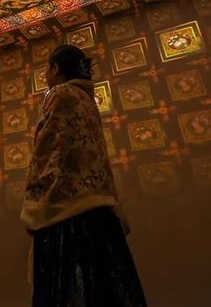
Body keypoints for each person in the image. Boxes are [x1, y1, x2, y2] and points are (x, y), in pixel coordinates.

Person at [22, 44, 147, 306]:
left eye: (47, 68)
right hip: (98, 208)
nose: (46, 74)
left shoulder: (60, 93)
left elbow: (47, 150)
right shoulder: (88, 101)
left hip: (66, 211)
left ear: (55, 68)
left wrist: (34, 199)